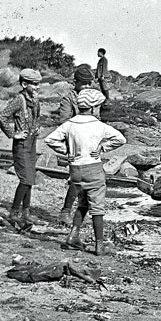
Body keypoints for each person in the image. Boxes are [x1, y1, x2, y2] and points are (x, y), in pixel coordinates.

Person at [45, 89, 126, 256]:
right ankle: (99, 245)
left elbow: (50, 140)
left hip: (75, 170)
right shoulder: (99, 125)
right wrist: (103, 147)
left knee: (83, 202)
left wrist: (67, 151)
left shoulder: (69, 125)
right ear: (93, 107)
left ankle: (73, 235)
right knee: (97, 208)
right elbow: (120, 139)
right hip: (93, 169)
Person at [0, 69, 43, 226]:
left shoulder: (35, 100)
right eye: (34, 84)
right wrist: (13, 134)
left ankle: (26, 213)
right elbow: (2, 117)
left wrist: (37, 128)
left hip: (31, 142)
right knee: (25, 179)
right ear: (24, 84)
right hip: (22, 144)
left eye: (38, 84)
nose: (37, 87)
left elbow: (36, 118)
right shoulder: (19, 99)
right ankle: (14, 212)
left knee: (30, 177)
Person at [56, 66, 98, 226]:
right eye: (84, 84)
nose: (87, 88)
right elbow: (64, 122)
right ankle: (65, 211)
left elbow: (97, 118)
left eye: (89, 84)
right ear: (76, 82)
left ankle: (81, 211)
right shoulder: (68, 99)